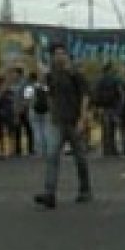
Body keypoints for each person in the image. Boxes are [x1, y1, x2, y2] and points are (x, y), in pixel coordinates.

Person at [32, 43, 93, 209]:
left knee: (80, 157)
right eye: (56, 54)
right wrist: (41, 77)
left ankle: (85, 189)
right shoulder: (51, 75)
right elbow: (44, 93)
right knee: (52, 156)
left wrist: (83, 117)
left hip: (74, 120)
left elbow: (85, 96)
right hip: (57, 121)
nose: (59, 57)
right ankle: (49, 193)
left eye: (62, 53)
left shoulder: (75, 74)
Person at [92, 63, 125, 156]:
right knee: (112, 129)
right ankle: (113, 149)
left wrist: (96, 107)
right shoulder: (115, 79)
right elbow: (120, 93)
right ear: (110, 69)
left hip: (103, 108)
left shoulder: (99, 80)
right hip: (113, 107)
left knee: (105, 129)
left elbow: (95, 94)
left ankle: (106, 149)